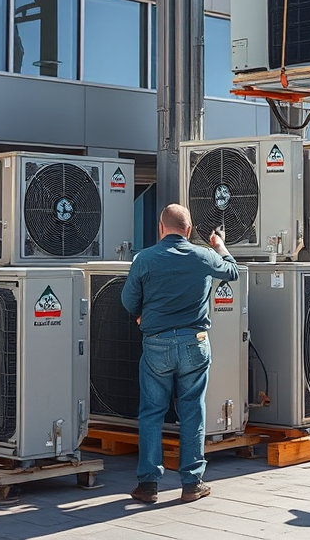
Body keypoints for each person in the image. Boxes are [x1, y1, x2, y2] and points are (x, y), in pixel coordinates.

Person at [121, 204, 239, 504]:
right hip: (194, 343)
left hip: (156, 343)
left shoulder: (144, 259)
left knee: (151, 413)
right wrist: (219, 244)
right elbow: (232, 271)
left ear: (161, 227)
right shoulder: (202, 256)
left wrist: (140, 315)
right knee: (192, 412)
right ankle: (191, 483)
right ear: (188, 230)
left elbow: (128, 300)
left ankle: (148, 485)